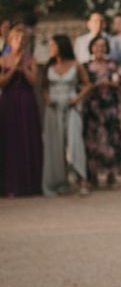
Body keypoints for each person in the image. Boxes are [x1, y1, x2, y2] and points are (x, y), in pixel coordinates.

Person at [41, 35, 90, 197]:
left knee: (75, 142)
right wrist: (48, 99)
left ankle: (82, 179)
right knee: (55, 145)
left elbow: (87, 85)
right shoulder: (49, 66)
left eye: (53, 46)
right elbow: (43, 88)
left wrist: (76, 99)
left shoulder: (75, 65)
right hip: (53, 109)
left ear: (61, 46)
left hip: (71, 107)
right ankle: (59, 181)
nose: (51, 49)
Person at [0, 24, 43, 197]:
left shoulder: (31, 60)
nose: (20, 42)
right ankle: (8, 184)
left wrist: (23, 68)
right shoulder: (3, 60)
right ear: (10, 40)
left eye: (23, 39)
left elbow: (34, 83)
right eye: (17, 38)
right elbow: (1, 82)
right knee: (8, 141)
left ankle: (29, 183)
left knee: (26, 139)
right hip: (8, 102)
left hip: (26, 102)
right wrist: (13, 68)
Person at [82, 36, 121, 189]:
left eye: (102, 46)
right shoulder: (85, 66)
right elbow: (81, 85)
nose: (100, 49)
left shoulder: (114, 65)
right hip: (93, 109)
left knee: (111, 140)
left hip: (110, 108)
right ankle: (93, 175)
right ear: (91, 48)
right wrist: (95, 85)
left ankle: (111, 174)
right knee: (92, 141)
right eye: (96, 46)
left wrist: (109, 84)